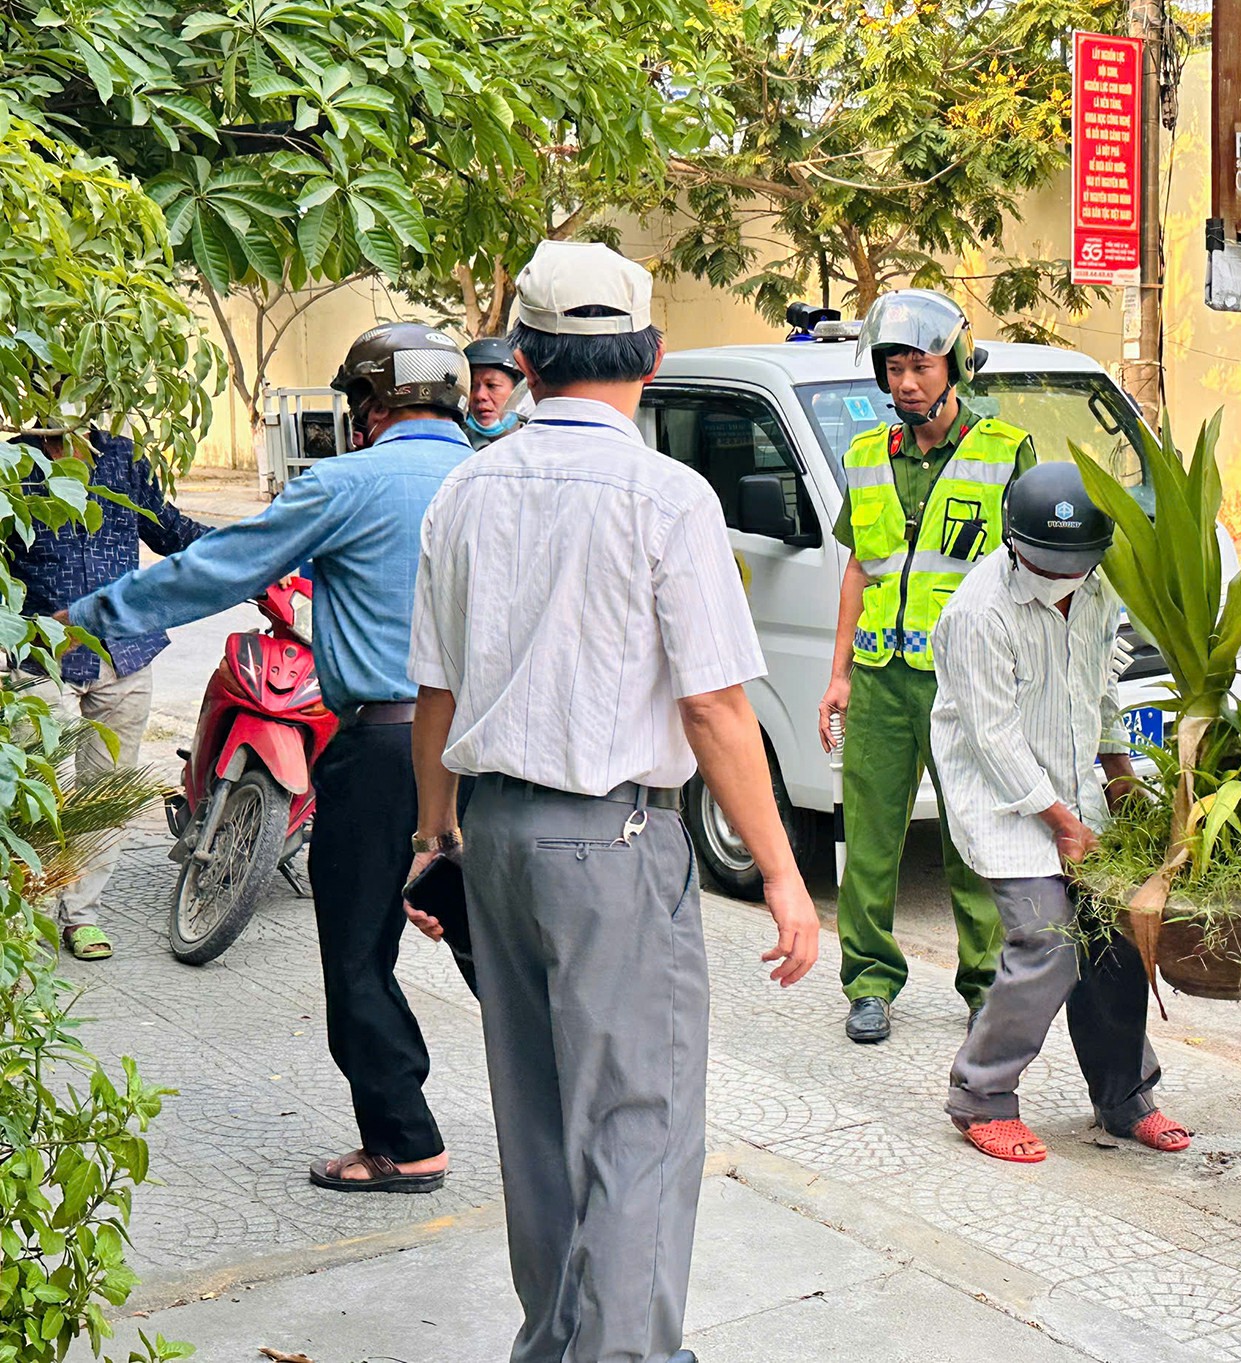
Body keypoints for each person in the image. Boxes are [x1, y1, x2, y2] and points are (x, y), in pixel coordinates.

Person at [406, 238, 821, 1363]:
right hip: (614, 841)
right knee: (638, 1122)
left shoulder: (466, 489)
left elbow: (435, 691)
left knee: (537, 1120)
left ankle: (555, 1345)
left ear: (526, 360)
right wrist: (784, 875)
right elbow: (716, 709)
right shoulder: (667, 496)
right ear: (653, 354)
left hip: (494, 834)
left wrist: (434, 837)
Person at [66, 322, 475, 1191]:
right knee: (498, 949)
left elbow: (215, 568)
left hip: (387, 750)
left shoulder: (349, 482)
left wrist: (86, 618)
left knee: (359, 954)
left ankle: (405, 1140)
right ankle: (569, 1115)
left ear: (367, 406)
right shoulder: (501, 475)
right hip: (497, 753)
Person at [931, 463, 1191, 1163]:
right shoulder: (978, 612)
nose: (1062, 576)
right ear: (1014, 543)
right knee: (1049, 943)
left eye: (1076, 563)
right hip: (1005, 804)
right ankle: (981, 1094)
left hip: (1079, 795)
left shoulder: (1100, 588)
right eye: (1047, 563)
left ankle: (1124, 1097)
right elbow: (992, 738)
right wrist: (1060, 823)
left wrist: (1118, 775)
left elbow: (1099, 690)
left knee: (1117, 941)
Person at [819, 288, 1036, 1044]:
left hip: (964, 680)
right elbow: (859, 567)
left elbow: (1026, 574)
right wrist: (839, 675)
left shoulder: (1004, 450)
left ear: (955, 366)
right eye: (894, 369)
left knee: (972, 837)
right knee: (870, 840)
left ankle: (985, 986)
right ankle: (869, 983)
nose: (907, 383)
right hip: (880, 674)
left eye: (921, 366)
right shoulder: (863, 456)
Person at [8, 425, 210, 960]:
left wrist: (260, 552)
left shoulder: (122, 456)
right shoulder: (14, 465)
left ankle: (81, 916)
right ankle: (30, 916)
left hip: (125, 653)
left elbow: (170, 530)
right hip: (39, 656)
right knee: (42, 792)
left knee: (105, 794)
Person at [462, 336, 527, 448]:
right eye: (471, 387)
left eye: (491, 385)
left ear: (518, 391)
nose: (479, 395)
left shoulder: (539, 443)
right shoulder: (458, 446)